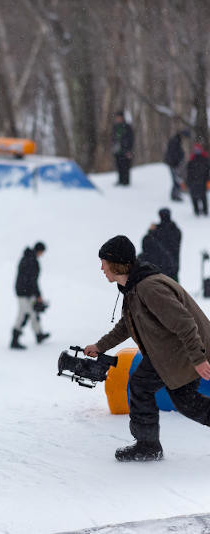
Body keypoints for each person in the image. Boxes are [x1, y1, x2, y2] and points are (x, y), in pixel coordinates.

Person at [84, 235, 210, 462]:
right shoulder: (134, 287)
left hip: (182, 351)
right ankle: (147, 445)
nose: (101, 267)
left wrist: (198, 359)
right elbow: (127, 325)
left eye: (104, 262)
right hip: (166, 352)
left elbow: (184, 323)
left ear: (116, 263)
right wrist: (100, 346)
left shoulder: (149, 288)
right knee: (153, 390)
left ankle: (148, 445)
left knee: (181, 400)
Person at [10, 241, 49, 350]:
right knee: (25, 314)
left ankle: (39, 335)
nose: (43, 254)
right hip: (24, 292)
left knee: (33, 312)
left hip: (24, 291)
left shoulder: (27, 258)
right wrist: (38, 295)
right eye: (42, 252)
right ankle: (14, 340)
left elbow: (30, 280)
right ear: (40, 251)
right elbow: (32, 280)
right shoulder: (32, 261)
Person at [150, 208, 181, 281]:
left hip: (161, 267)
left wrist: (151, 231)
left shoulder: (158, 231)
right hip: (173, 266)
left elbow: (149, 243)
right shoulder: (175, 230)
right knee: (175, 289)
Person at [163, 130, 189, 201]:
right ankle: (175, 195)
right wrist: (177, 160)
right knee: (176, 180)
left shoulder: (176, 140)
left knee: (176, 180)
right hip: (173, 164)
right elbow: (173, 153)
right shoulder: (175, 141)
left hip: (174, 163)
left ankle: (175, 194)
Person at [186, 141, 209, 217]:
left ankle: (205, 211)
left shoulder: (205, 160)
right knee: (194, 197)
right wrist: (188, 182)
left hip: (202, 181)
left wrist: (208, 180)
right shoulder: (191, 161)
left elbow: (208, 171)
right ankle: (197, 212)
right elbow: (188, 173)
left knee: (203, 197)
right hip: (194, 182)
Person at [112, 111, 134, 186]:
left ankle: (126, 181)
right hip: (117, 150)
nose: (118, 119)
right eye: (117, 118)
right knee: (119, 166)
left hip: (126, 150)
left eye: (119, 117)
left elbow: (131, 139)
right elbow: (113, 137)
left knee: (126, 166)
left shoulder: (127, 127)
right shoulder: (115, 127)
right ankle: (120, 180)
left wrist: (129, 149)